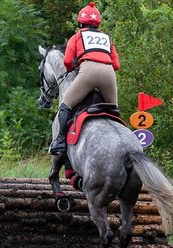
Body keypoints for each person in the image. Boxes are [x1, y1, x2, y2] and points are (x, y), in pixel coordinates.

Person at [49, 2, 120, 155]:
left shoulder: (77, 36)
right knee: (114, 111)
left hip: (88, 71)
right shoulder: (107, 38)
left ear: (80, 22)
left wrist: (73, 68)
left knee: (65, 105)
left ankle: (60, 142)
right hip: (109, 74)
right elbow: (117, 65)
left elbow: (67, 61)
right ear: (98, 22)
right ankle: (121, 139)